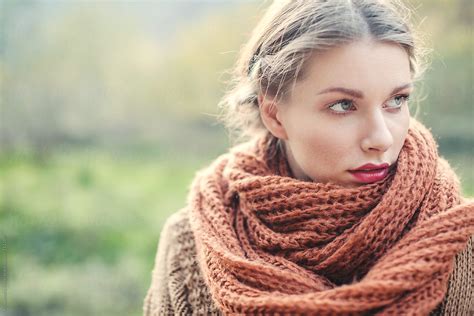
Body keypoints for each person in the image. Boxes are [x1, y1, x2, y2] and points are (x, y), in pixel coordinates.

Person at [144, 0, 473, 315]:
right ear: (274, 115)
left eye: (396, 100)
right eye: (343, 105)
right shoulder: (191, 242)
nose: (382, 138)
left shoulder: (463, 241)